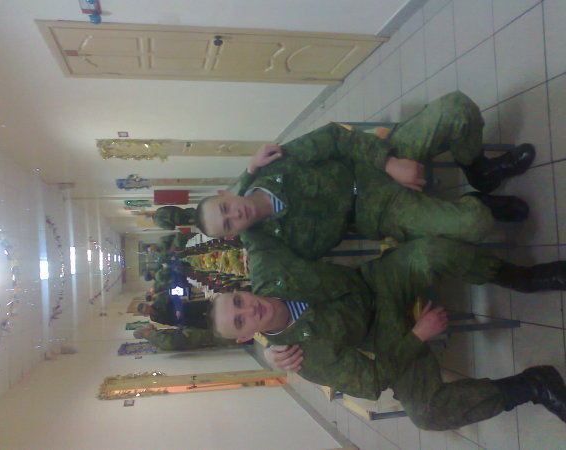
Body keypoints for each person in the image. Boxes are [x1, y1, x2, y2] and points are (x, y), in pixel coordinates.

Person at [209, 235, 566, 430]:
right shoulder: (301, 357)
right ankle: (534, 385)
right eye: (240, 321)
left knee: (430, 252)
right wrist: (416, 337)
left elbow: (248, 222)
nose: (250, 310)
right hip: (385, 337)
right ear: (245, 337)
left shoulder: (271, 271)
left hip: (377, 282)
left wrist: (250, 172)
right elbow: (372, 381)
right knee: (427, 413)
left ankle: (527, 278)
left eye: (239, 301)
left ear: (241, 289)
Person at [197, 91, 535, 260]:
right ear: (232, 235)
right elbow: (278, 279)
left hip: (372, 161)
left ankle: (479, 170)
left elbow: (334, 137)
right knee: (475, 223)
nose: (235, 215)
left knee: (456, 109)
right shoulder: (273, 243)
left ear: (227, 194)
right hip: (379, 211)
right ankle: (479, 202)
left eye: (225, 208)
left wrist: (388, 163)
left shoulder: (273, 165)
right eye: (228, 224)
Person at [133, 325, 236, 351]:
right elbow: (169, 343)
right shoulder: (154, 337)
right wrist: (181, 334)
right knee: (216, 336)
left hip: (192, 338)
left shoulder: (154, 336)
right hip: (192, 338)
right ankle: (238, 339)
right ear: (142, 331)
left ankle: (237, 338)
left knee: (215, 336)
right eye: (143, 327)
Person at [138, 298, 211, 329]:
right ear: (145, 314)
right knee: (207, 323)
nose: (148, 309)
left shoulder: (158, 302)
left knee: (209, 306)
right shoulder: (153, 318)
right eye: (146, 310)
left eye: (147, 306)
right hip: (184, 320)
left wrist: (178, 309)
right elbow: (167, 322)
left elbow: (173, 297)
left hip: (185, 309)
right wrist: (178, 325)